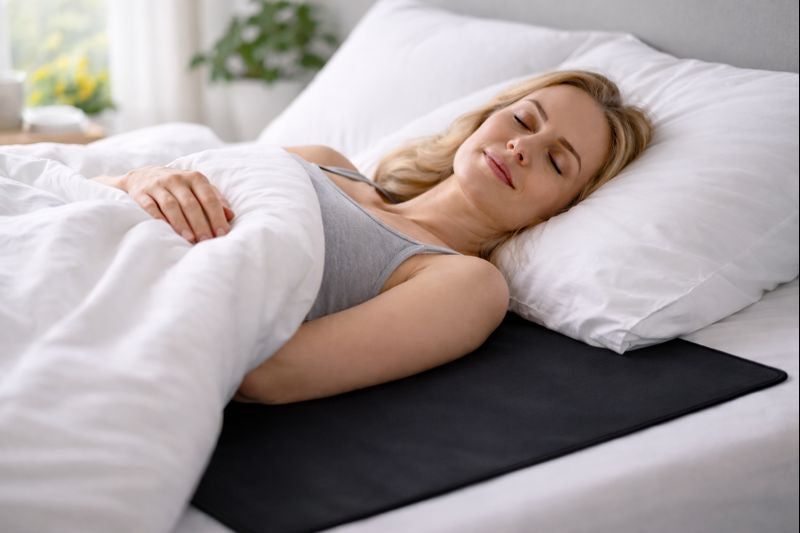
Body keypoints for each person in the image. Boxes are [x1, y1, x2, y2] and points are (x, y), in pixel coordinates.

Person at [92, 70, 652, 405]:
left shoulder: (463, 282)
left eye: (557, 161)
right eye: (524, 121)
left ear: (564, 209)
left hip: (123, 321)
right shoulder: (323, 162)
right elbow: (96, 190)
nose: (522, 148)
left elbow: (269, 376)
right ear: (488, 118)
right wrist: (144, 177)